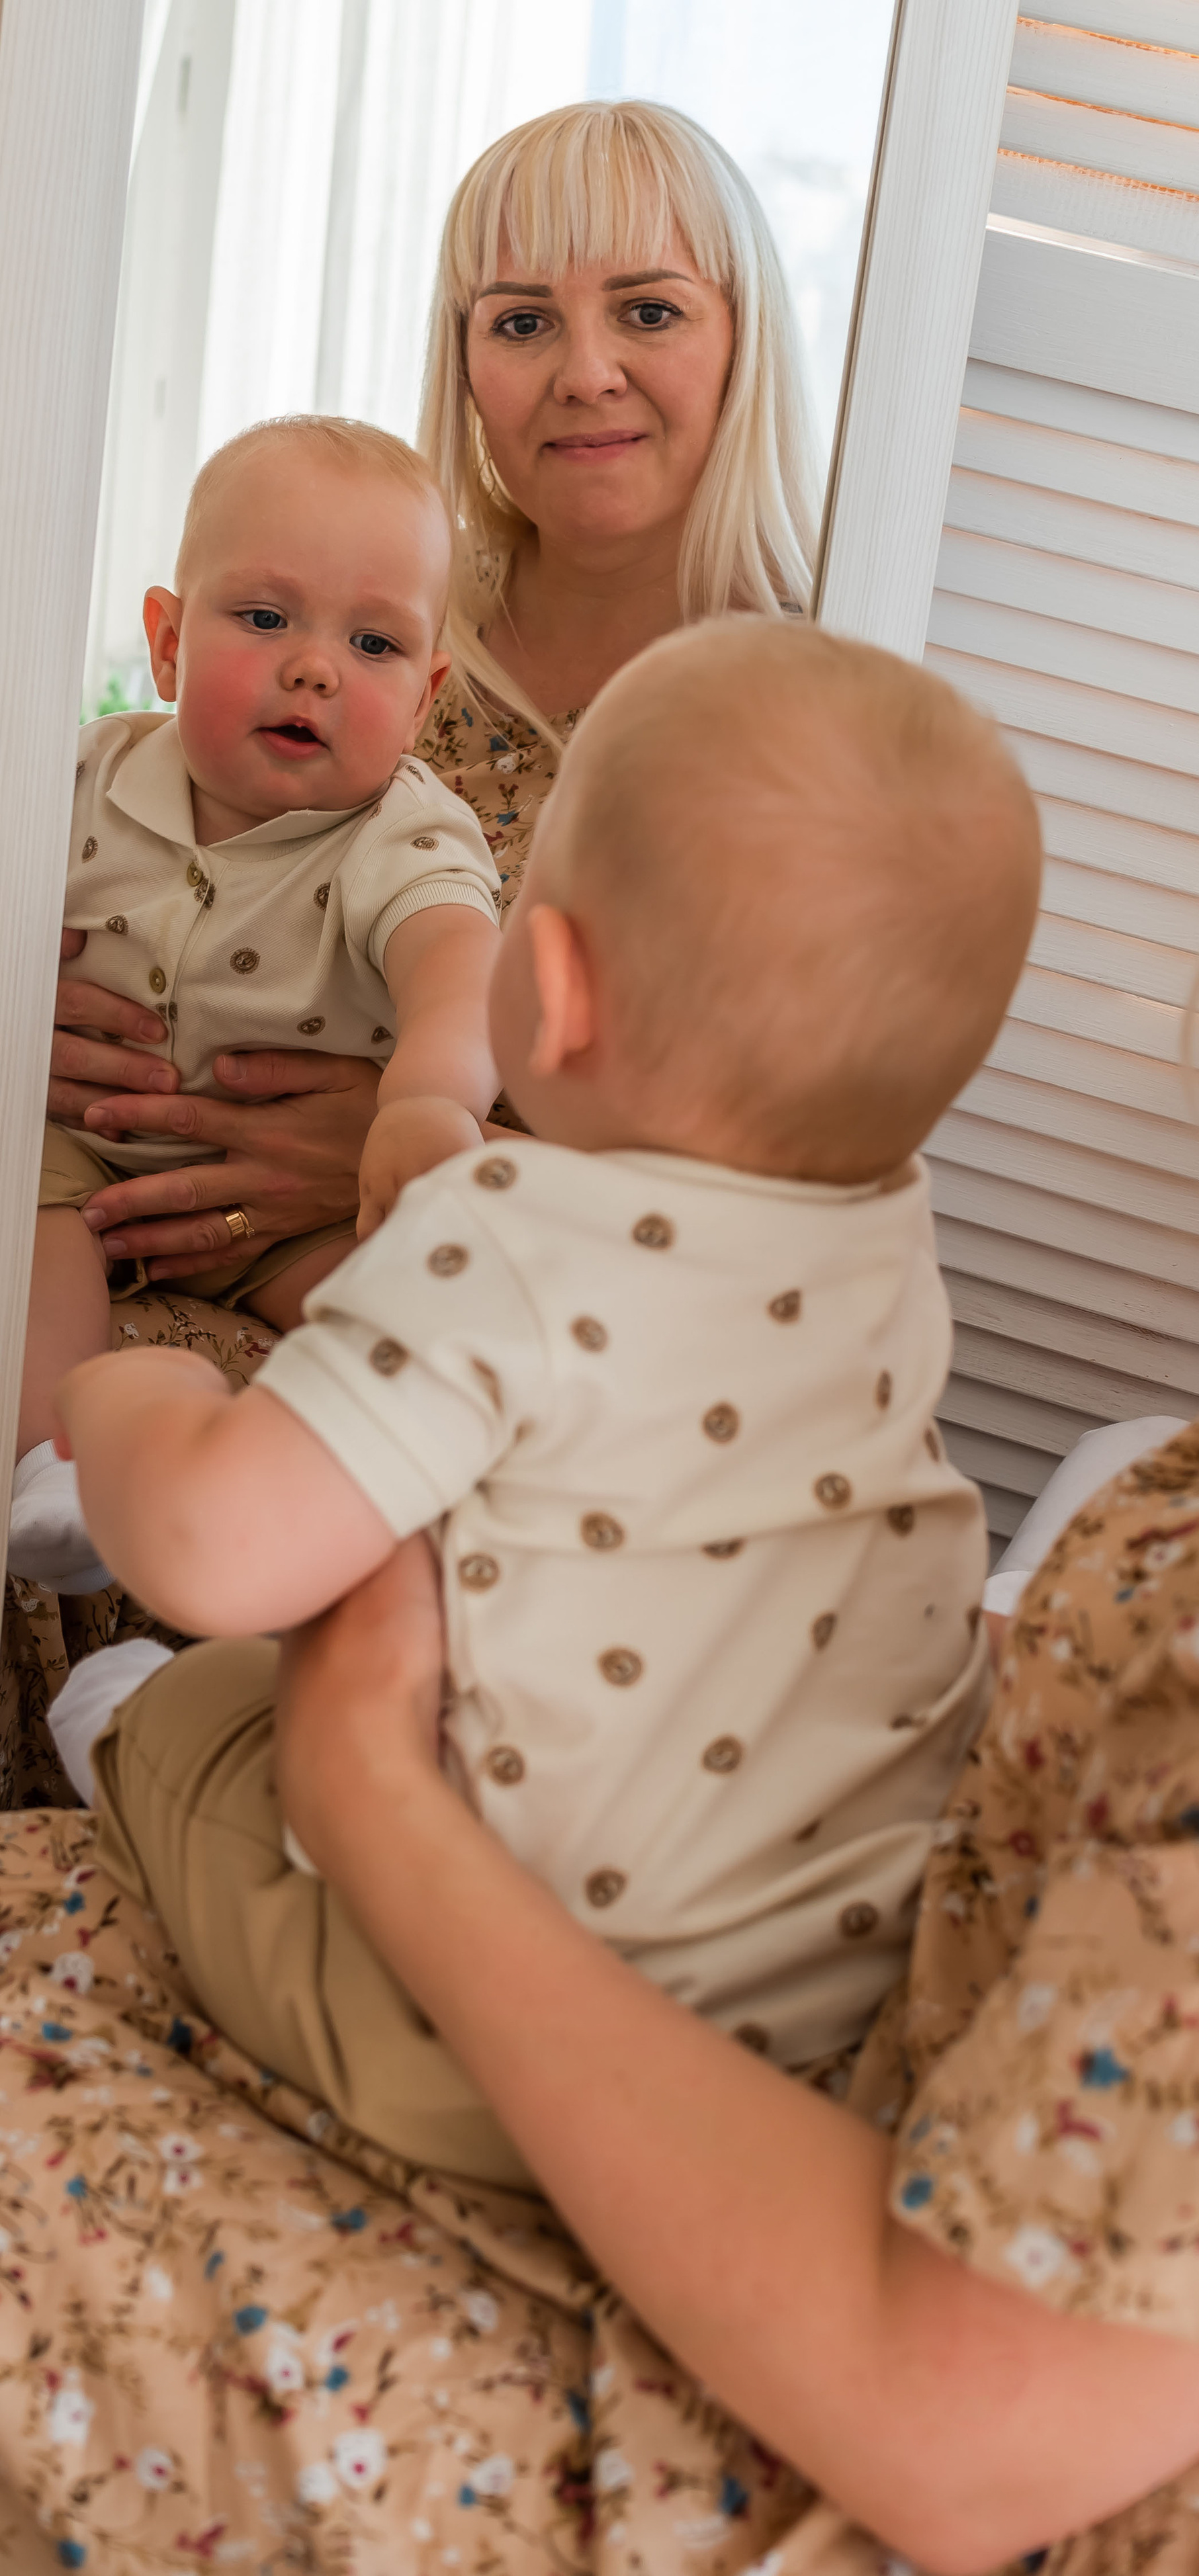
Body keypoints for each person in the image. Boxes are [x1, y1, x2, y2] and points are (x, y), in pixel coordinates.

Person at [7, 154, 1199, 2576]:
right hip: (788, 1960)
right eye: (516, 315)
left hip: (737, 2251)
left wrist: (366, 1768)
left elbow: (965, 2414)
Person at [48, 622, 1037, 2184]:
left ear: (551, 990)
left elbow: (211, 1548)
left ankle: (109, 1745)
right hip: (792, 2029)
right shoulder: (883, 1249)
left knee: (196, 1701)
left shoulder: (507, 1233)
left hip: (474, 2036)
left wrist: (132, 1396)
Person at [3, 100, 821, 1787]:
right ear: (465, 365)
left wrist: (375, 1152)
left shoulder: (807, 721)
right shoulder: (355, 634)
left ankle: (205, 1807)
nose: (582, 369)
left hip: (484, 1320)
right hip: (127, 1252)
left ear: (741, 337)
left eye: (647, 309)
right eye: (521, 321)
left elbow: (775, 1183)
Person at [10, 417, 501, 1598]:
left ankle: (380, 1540)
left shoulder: (401, 833)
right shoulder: (82, 776)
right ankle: (53, 1467)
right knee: (34, 1233)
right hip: (81, 1161)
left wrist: (428, 1101)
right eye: (267, 618)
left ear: (428, 696)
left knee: (403, 1317)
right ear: (168, 643)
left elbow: (458, 965)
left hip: (292, 1219)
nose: (316, 667)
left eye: (373, 640)